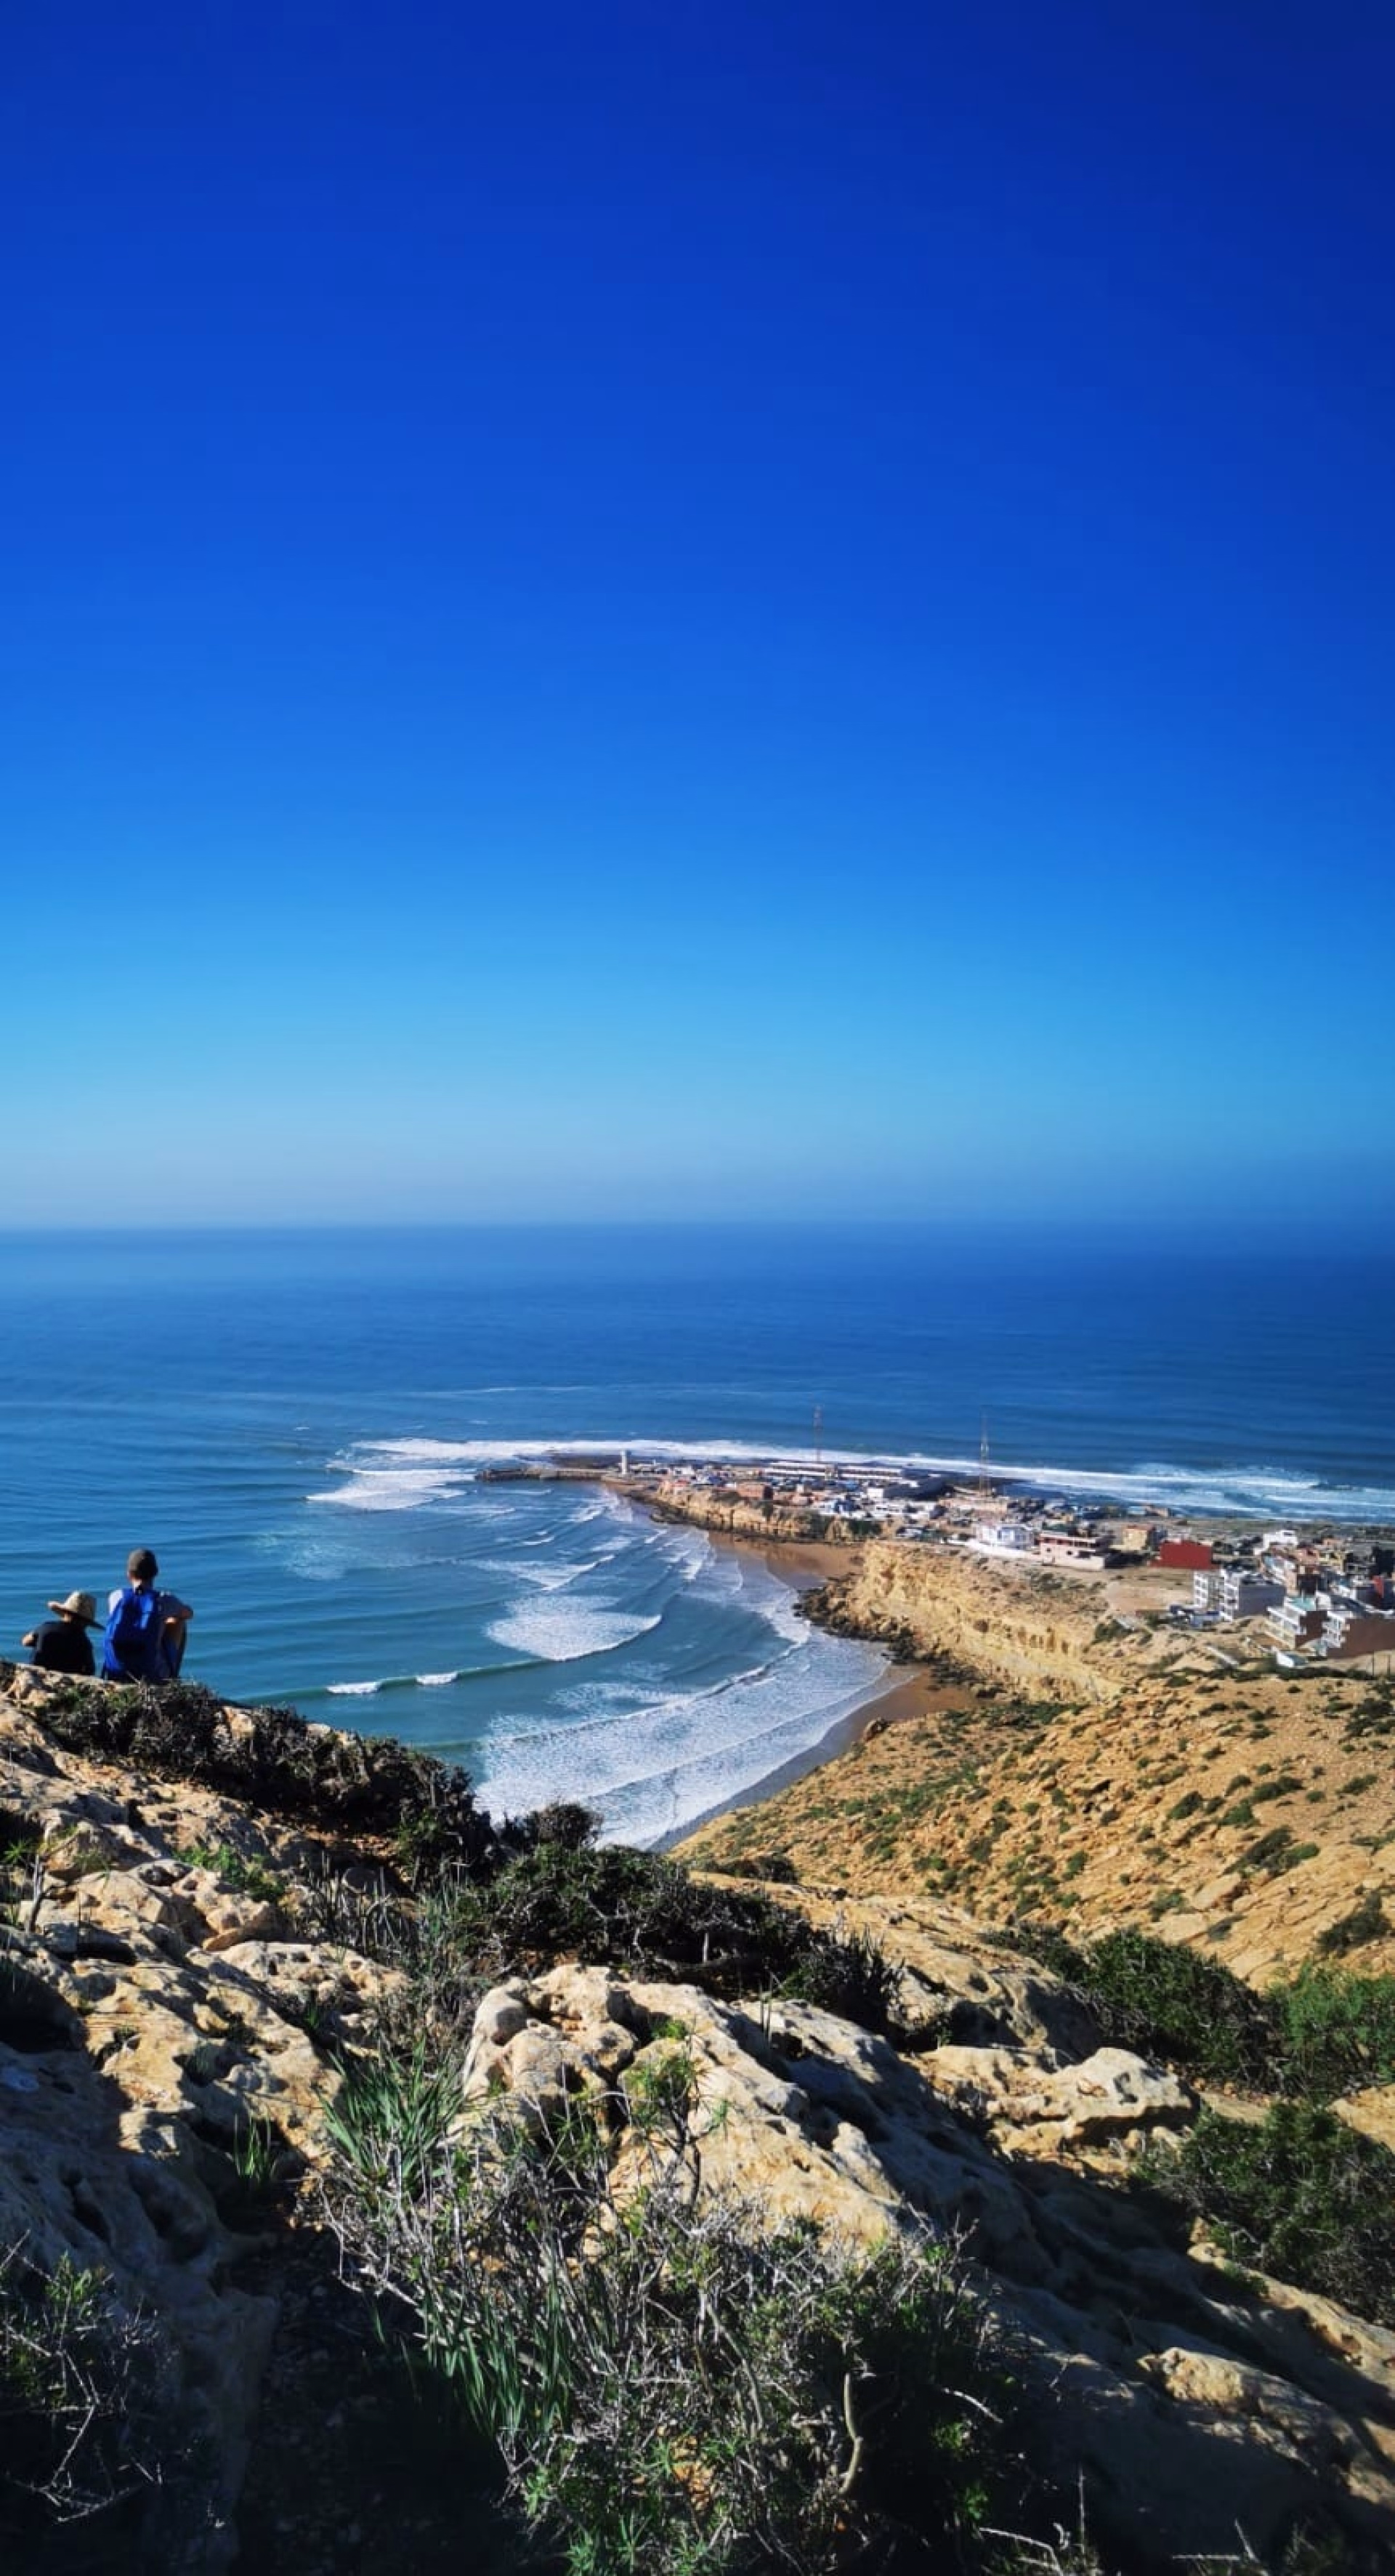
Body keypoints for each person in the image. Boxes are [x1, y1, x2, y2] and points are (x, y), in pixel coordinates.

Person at [102, 1549, 194, 1684]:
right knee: (178, 1621)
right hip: (151, 1675)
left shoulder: (116, 1597)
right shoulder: (164, 1600)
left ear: (129, 1574)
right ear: (155, 1574)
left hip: (116, 1672)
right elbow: (189, 1613)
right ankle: (171, 1678)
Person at [23, 1590, 101, 1677]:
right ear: (85, 1623)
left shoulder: (46, 1627)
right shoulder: (84, 1642)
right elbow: (90, 1670)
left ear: (64, 1613)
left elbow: (25, 1642)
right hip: (65, 1678)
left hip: (35, 1675)